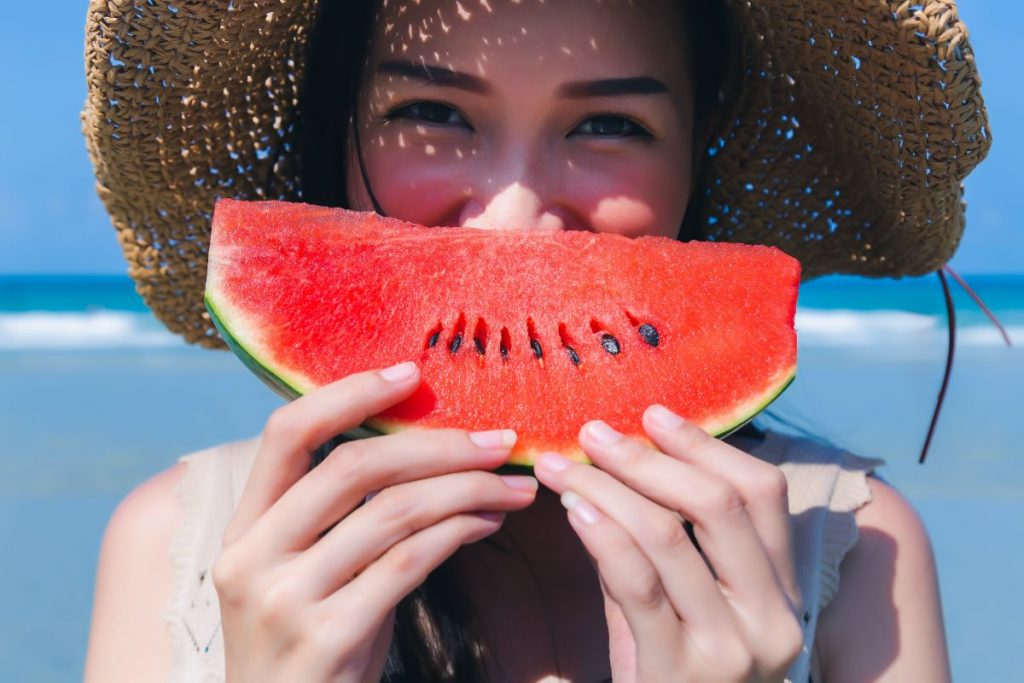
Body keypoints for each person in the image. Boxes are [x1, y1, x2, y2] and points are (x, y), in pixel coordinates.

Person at [80, 0, 990, 681]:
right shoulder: (176, 548)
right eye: (431, 113)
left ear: (696, 154)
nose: (513, 221)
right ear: (337, 130)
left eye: (609, 126)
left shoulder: (853, 551)